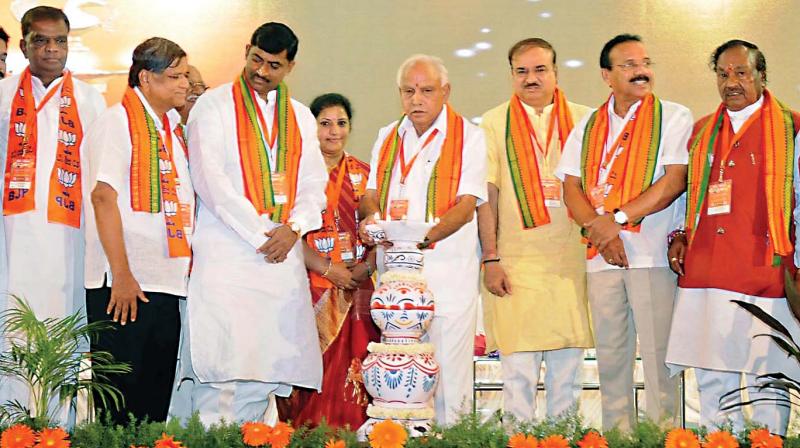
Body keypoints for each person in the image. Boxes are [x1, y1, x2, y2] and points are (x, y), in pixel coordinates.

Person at [168, 22, 327, 426]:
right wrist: (262, 234)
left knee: (266, 375)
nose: (261, 71)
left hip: (280, 260)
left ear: (290, 66)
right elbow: (211, 182)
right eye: (256, 59)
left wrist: (294, 227)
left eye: (273, 65)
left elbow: (313, 181)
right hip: (229, 256)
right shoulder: (213, 106)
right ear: (246, 50)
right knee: (222, 370)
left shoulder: (301, 116)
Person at [555, 33, 692, 431]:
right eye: (629, 65)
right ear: (606, 75)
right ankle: (617, 438)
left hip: (648, 255)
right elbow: (571, 188)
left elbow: (674, 182)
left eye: (645, 63)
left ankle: (663, 437)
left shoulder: (673, 115)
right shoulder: (588, 125)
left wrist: (613, 221)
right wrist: (601, 233)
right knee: (611, 359)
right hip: (602, 259)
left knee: (658, 359)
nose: (641, 71)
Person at [665, 40, 800, 436]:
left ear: (761, 76)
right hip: (706, 269)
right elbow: (687, 194)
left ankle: (767, 442)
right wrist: (678, 234)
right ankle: (718, 441)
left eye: (741, 72)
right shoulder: (702, 130)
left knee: (767, 372)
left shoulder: (792, 127)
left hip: (767, 271)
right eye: (723, 74)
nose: (731, 82)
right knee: (711, 370)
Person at [358, 54, 487, 425]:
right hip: (396, 285)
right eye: (408, 91)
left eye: (427, 91)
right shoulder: (388, 135)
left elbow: (466, 207)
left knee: (448, 376)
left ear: (445, 92)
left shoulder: (471, 137)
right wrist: (370, 216)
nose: (417, 99)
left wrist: (416, 242)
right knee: (397, 378)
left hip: (446, 276)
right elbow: (370, 193)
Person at [477, 38, 594, 422]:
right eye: (522, 71)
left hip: (571, 265)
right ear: (511, 76)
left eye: (540, 69)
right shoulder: (492, 123)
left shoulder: (586, 120)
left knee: (567, 380)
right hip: (515, 266)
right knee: (518, 381)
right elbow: (487, 196)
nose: (531, 78)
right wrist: (491, 257)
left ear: (556, 72)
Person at [0, 6, 105, 423]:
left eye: (59, 40)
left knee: (63, 335)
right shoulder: (5, 95)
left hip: (69, 240)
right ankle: (10, 427)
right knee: (12, 328)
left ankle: (62, 429)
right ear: (23, 44)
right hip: (11, 236)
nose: (51, 49)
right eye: (40, 40)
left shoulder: (90, 99)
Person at [83, 37, 192, 425]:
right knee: (119, 412)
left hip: (164, 282)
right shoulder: (117, 122)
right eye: (175, 76)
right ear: (146, 78)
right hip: (124, 286)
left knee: (153, 407)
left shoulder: (170, 131)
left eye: (185, 76)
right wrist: (123, 275)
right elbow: (102, 197)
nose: (185, 84)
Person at [277, 93, 379, 429]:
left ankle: (352, 432)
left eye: (341, 123)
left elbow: (380, 228)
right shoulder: (297, 178)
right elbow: (287, 233)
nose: (334, 132)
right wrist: (327, 269)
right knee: (308, 369)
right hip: (311, 286)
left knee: (356, 366)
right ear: (311, 127)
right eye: (325, 123)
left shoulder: (364, 175)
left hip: (355, 286)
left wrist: (366, 266)